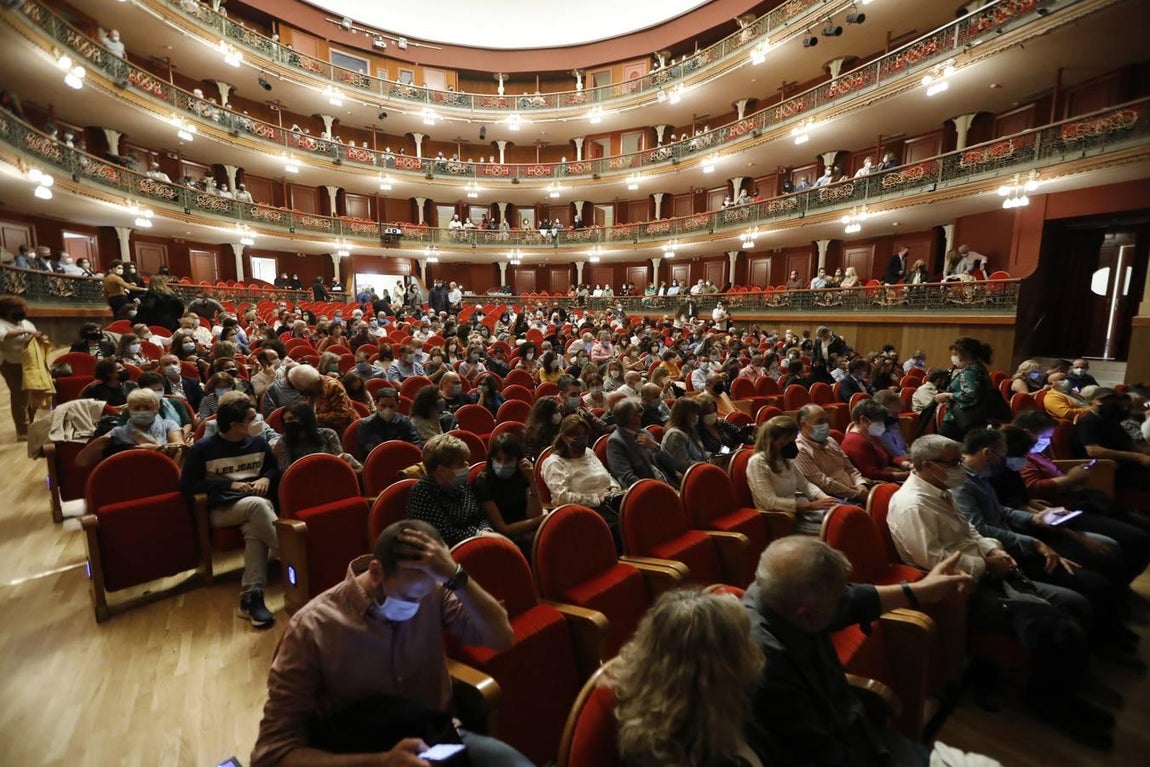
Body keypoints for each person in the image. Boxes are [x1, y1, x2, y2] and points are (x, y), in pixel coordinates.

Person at [886, 435, 1114, 749]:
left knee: (1076, 604)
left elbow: (971, 531)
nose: (959, 467)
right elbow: (938, 562)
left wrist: (994, 551)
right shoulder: (912, 504)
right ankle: (1048, 703)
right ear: (928, 466)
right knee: (1060, 628)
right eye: (953, 462)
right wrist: (988, 563)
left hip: (987, 570)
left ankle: (1066, 687)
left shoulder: (939, 488)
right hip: (960, 590)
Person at [249, 519, 530, 767]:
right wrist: (380, 762)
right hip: (364, 752)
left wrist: (456, 576)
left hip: (437, 737)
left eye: (425, 594)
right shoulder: (313, 627)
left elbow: (501, 637)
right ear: (376, 571)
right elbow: (271, 754)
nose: (417, 605)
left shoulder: (431, 591)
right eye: (409, 598)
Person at [743, 537, 974, 767]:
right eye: (837, 600)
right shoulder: (766, 664)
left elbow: (854, 600)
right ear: (806, 615)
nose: (843, 600)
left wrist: (921, 591)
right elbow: (815, 753)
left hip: (859, 735)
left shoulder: (776, 592)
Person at [952, 429, 1139, 666]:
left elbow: (1001, 511)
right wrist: (1034, 541)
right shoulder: (962, 484)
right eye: (1002, 454)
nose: (1006, 458)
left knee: (1100, 567)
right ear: (988, 453)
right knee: (1090, 585)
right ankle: (1100, 646)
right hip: (1007, 552)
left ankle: (1109, 636)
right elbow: (981, 529)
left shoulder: (980, 475)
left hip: (1019, 539)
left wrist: (1034, 519)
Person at [609, 589, 765, 767]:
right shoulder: (670, 755)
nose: (754, 651)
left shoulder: (719, 709)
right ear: (719, 669)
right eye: (744, 645)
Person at [181, 398, 279, 628]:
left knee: (255, 527)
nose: (258, 423)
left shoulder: (258, 442)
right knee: (259, 506)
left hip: (254, 508)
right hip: (222, 509)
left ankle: (251, 598)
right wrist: (227, 485)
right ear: (235, 425)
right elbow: (187, 485)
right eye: (251, 419)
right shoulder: (203, 448)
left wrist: (266, 477)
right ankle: (293, 554)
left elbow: (273, 468)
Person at [746, 416, 838, 535]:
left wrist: (824, 498)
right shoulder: (757, 463)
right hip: (780, 518)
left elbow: (805, 485)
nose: (792, 445)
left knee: (840, 518)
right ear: (773, 441)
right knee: (835, 530)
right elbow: (770, 502)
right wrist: (810, 506)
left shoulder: (785, 458)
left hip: (799, 510)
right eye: (789, 442)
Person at [541, 415, 624, 545]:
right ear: (564, 437)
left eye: (584, 434)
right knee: (623, 527)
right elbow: (561, 497)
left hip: (610, 502)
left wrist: (613, 488)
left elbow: (606, 475)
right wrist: (596, 499)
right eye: (577, 436)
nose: (582, 439)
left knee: (638, 513)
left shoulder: (589, 452)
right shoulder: (554, 463)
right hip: (584, 513)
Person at [405, 434, 492, 546]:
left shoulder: (461, 485)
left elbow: (481, 515)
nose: (467, 465)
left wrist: (486, 530)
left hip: (478, 542)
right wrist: (479, 536)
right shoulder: (422, 491)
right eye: (460, 463)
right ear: (441, 470)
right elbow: (442, 535)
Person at [472, 433, 544, 556]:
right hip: (505, 538)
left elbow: (534, 513)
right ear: (491, 459)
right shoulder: (482, 482)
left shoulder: (522, 474)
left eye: (509, 460)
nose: (503, 464)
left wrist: (532, 480)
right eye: (498, 459)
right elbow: (503, 529)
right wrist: (540, 520)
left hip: (528, 529)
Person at [1075, 387, 1150, 501]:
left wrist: (1144, 453)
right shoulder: (1088, 421)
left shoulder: (1110, 420)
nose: (1111, 403)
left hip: (1126, 464)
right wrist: (1137, 457)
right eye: (1106, 400)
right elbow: (1093, 450)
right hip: (1106, 469)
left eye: (1114, 400)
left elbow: (1129, 442)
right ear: (1094, 401)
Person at [793, 404, 869, 503]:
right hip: (837, 499)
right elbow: (823, 482)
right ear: (803, 424)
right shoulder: (800, 450)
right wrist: (855, 494)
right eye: (820, 421)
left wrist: (861, 484)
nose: (825, 425)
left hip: (857, 492)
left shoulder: (831, 440)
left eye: (826, 421)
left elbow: (849, 467)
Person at [0, 296, 46, 441]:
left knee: (33, 394)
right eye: (17, 310)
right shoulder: (2, 324)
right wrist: (24, 332)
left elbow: (33, 334)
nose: (22, 312)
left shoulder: (25, 323)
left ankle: (31, 424)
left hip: (30, 362)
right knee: (20, 396)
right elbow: (3, 335)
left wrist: (38, 336)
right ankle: (22, 431)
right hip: (11, 363)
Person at [936, 336, 999, 439]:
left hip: (961, 420)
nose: (955, 357)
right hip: (978, 419)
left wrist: (947, 395)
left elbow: (970, 396)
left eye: (956, 353)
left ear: (966, 353)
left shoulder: (969, 372)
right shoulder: (980, 368)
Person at [273, 401, 360, 472]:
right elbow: (286, 473)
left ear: (305, 419)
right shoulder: (284, 441)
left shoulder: (328, 434)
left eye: (291, 419)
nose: (287, 423)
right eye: (285, 420)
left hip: (331, 477)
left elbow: (339, 464)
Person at [841, 398, 910, 482]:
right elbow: (871, 474)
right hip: (877, 483)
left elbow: (890, 456)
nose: (882, 425)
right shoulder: (855, 441)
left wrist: (906, 464)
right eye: (878, 421)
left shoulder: (870, 434)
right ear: (863, 420)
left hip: (889, 475)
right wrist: (904, 475)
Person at [606, 398, 670, 487]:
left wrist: (655, 446)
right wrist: (658, 489)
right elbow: (627, 478)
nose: (641, 416)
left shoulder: (645, 432)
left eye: (640, 412)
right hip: (649, 491)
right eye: (636, 414)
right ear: (625, 419)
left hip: (668, 482)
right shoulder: (615, 442)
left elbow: (671, 463)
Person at [288, 363, 357, 435]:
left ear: (312, 384)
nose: (300, 392)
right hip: (320, 431)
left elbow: (342, 415)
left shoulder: (333, 387)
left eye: (302, 389)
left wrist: (314, 417)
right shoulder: (308, 388)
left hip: (342, 432)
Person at [356, 386, 422, 460]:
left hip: (403, 460)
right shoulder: (366, 424)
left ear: (398, 404)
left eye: (391, 406)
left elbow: (416, 444)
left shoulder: (404, 421)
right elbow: (365, 454)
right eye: (383, 406)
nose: (387, 409)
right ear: (376, 404)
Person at [660, 397, 708, 476]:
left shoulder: (690, 429)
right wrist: (707, 465)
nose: (696, 416)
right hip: (691, 475)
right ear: (685, 415)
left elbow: (701, 452)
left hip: (701, 468)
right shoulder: (675, 435)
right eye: (694, 413)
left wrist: (713, 458)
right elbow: (683, 465)